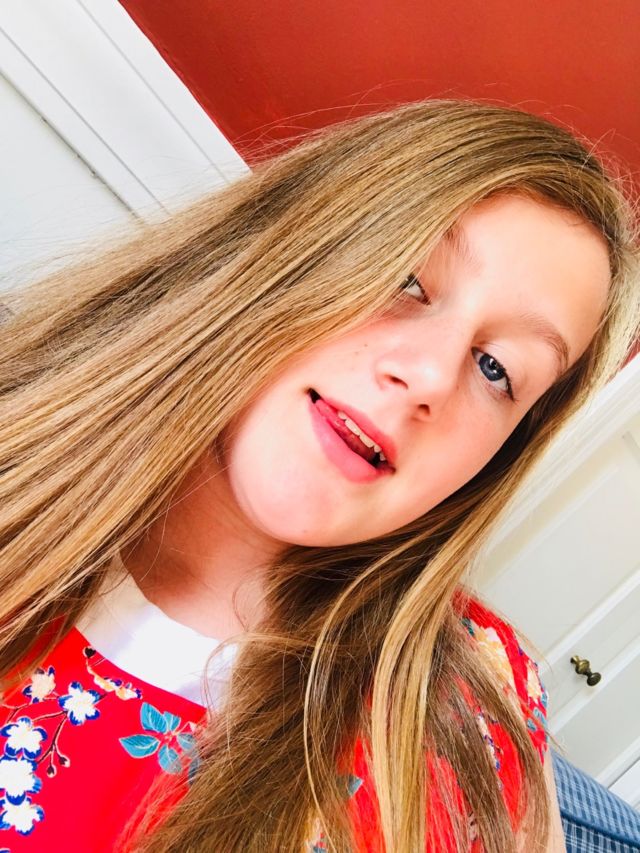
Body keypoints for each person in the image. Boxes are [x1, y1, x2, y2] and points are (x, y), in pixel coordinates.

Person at [0, 98, 637, 853]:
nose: (431, 376)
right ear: (293, 242)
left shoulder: (478, 711)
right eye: (406, 278)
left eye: (497, 368)